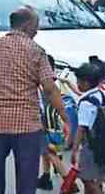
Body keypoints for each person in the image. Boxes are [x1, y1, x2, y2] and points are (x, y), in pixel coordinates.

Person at [0, 6, 69, 194]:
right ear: (28, 25)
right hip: (27, 127)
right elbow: (50, 89)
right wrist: (65, 117)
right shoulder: (36, 51)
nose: (37, 31)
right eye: (36, 26)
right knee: (26, 182)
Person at [71, 62, 105, 194]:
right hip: (104, 144)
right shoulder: (101, 94)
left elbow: (81, 128)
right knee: (98, 178)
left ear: (86, 82)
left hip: (90, 146)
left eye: (79, 81)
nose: (77, 83)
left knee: (87, 180)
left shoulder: (85, 102)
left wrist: (74, 148)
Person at [37, 55, 78, 192]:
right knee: (46, 152)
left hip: (48, 126)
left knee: (51, 154)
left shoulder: (44, 84)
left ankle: (69, 182)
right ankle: (46, 177)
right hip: (59, 125)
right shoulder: (59, 81)